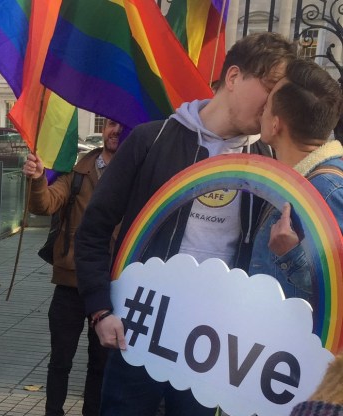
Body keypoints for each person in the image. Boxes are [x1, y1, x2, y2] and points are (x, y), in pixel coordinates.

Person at [74, 32, 295, 415]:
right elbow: (93, 229)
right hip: (138, 330)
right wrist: (100, 310)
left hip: (211, 344)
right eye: (271, 87)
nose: (275, 104)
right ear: (233, 77)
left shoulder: (267, 161)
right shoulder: (151, 140)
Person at [24, 118, 121, 416]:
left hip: (110, 287)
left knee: (100, 363)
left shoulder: (134, 173)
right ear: (103, 129)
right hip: (70, 284)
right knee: (60, 361)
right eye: (110, 125)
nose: (115, 131)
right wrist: (39, 178)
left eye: (122, 127)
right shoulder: (79, 172)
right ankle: (53, 411)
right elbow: (45, 205)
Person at [250, 58, 343, 302]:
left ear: (275, 124)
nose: (261, 110)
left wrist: (291, 256)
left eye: (268, 104)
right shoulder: (299, 181)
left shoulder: (328, 192)